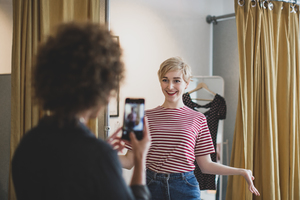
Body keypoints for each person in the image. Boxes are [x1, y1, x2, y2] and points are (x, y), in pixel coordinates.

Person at [12, 22, 151, 200]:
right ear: (98, 88)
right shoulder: (97, 157)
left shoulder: (27, 144)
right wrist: (139, 160)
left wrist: (99, 153)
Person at [119, 56, 260, 200]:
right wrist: (99, 154)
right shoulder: (143, 117)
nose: (170, 86)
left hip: (185, 187)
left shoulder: (198, 118)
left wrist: (241, 171)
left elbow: (206, 165)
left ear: (187, 83)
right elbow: (129, 161)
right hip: (151, 186)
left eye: (177, 80)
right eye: (165, 79)